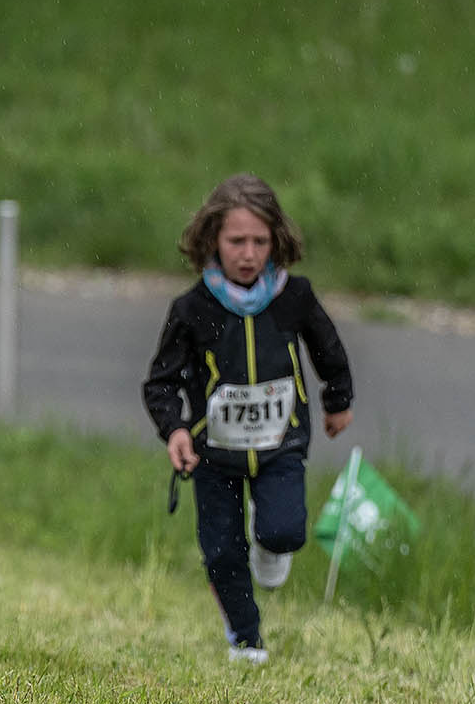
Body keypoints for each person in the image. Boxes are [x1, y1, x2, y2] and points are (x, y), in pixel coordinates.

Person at [142, 173, 353, 665]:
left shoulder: (293, 297)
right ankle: (245, 640)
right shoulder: (192, 309)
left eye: (260, 241)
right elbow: (161, 382)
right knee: (221, 552)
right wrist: (175, 428)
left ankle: (268, 541)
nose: (249, 254)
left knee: (283, 533)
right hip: (214, 454)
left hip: (281, 446)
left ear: (276, 240)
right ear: (212, 240)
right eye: (236, 241)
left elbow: (329, 349)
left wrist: (338, 399)